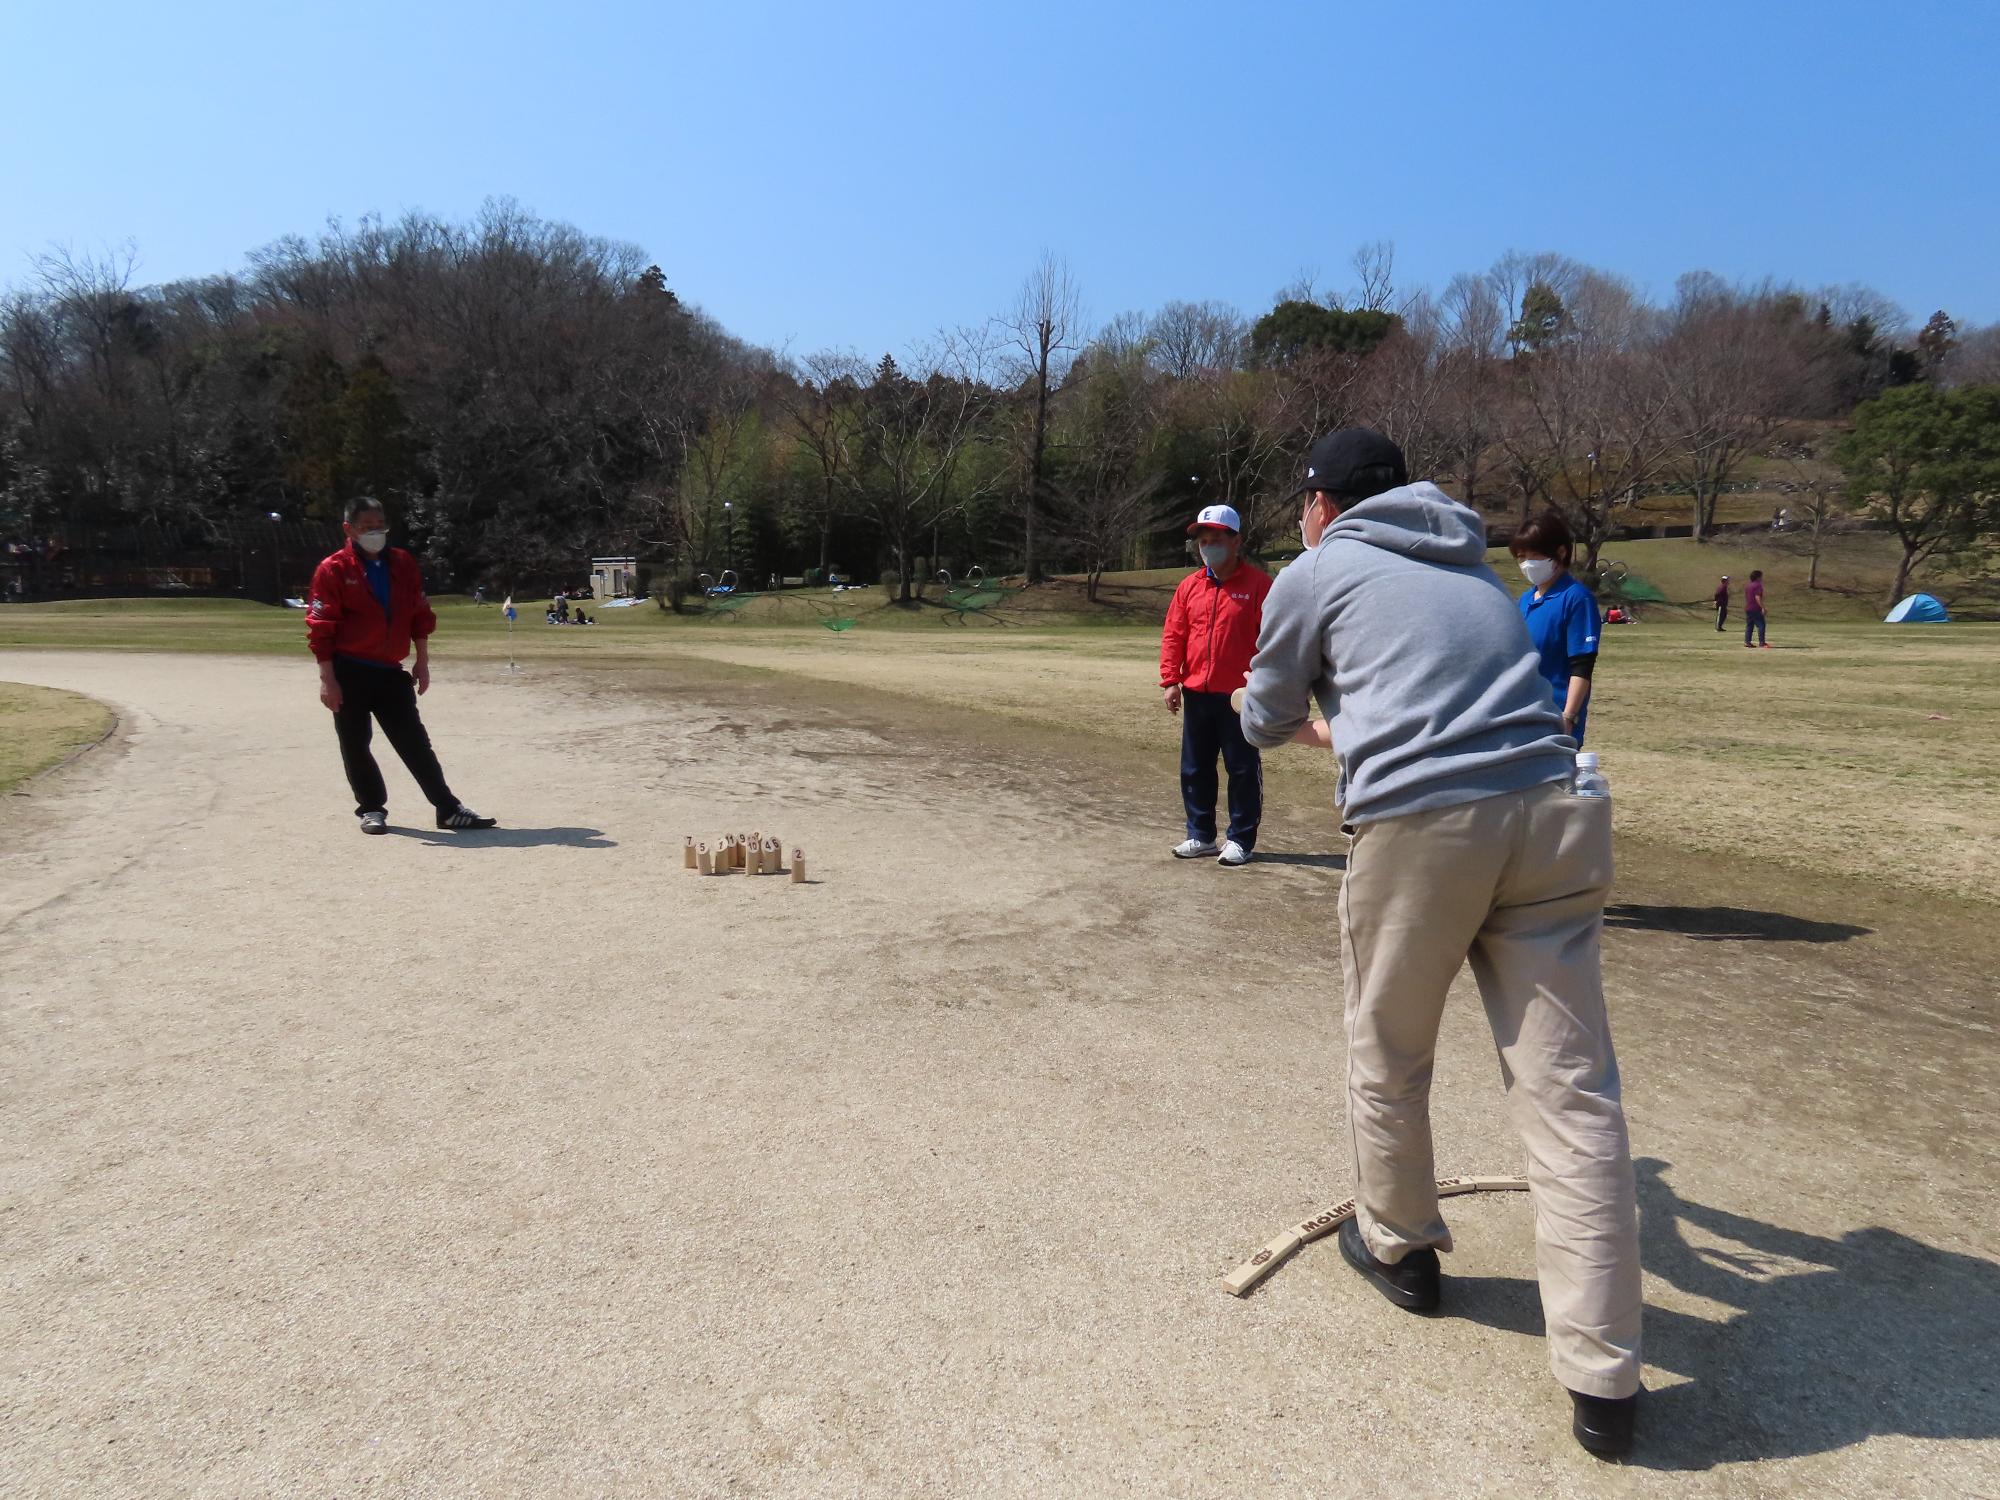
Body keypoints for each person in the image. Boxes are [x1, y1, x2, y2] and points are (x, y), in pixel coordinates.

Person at [1238, 427, 1642, 1457]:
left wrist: (1284, 712)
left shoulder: (1316, 569)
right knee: (1570, 1094)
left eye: (1300, 501)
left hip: (1426, 827)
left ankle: (1402, 1248)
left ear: (1322, 503)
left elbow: (1262, 714)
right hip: (1553, 808)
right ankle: (1603, 1379)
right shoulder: (1468, 567)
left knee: (1389, 1052)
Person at [307, 498, 497, 835]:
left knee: (414, 741)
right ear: (348, 529)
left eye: (380, 526)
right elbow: (321, 628)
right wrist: (328, 680)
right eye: (367, 527)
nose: (375, 533)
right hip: (349, 668)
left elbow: (419, 615)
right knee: (355, 742)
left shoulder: (402, 564)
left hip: (389, 670)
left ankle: (447, 808)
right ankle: (372, 808)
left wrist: (422, 661)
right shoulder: (333, 569)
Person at [1159, 503, 1273, 867]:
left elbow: (1274, 640)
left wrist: (1266, 683)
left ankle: (1240, 839)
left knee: (1241, 768)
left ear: (1236, 541)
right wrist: (1170, 680)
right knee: (1195, 768)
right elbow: (1175, 634)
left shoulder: (1259, 586)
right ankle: (1201, 834)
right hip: (1196, 691)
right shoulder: (1189, 587)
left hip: (1239, 697)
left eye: (1216, 540)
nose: (1208, 547)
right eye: (1203, 541)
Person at [1510, 510, 1602, 745]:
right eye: (1521, 557)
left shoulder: (1576, 598)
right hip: (1521, 715)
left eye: (1536, 555)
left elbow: (1582, 666)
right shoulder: (1524, 600)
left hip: (1555, 717)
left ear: (1560, 552)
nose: (1527, 563)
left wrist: (1568, 717)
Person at [1744, 569, 1769, 648]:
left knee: (1749, 625)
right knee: (1761, 625)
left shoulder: (1748, 586)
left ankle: (1747, 642)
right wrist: (1763, 607)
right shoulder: (1758, 585)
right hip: (1755, 608)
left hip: (1748, 607)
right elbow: (1757, 597)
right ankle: (1762, 642)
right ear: (1758, 577)